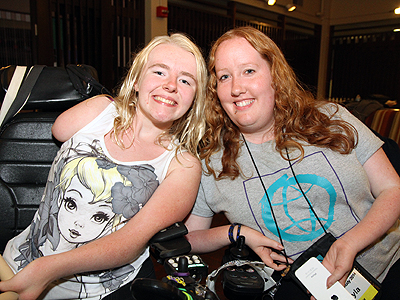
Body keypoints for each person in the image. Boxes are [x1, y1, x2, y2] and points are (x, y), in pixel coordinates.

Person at [185, 26, 400, 300]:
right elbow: (190, 238)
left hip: (391, 267)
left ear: (275, 74)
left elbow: (393, 189)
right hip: (305, 290)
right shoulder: (213, 163)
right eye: (224, 77)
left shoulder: (333, 118)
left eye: (249, 71)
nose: (237, 88)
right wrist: (236, 232)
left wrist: (349, 244)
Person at [0, 32, 207, 300]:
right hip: (18, 262)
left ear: (194, 99)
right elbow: (58, 130)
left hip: (96, 292)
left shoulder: (183, 166)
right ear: (136, 80)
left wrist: (46, 269)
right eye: (159, 72)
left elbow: (129, 243)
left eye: (185, 80)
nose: (170, 85)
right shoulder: (98, 111)